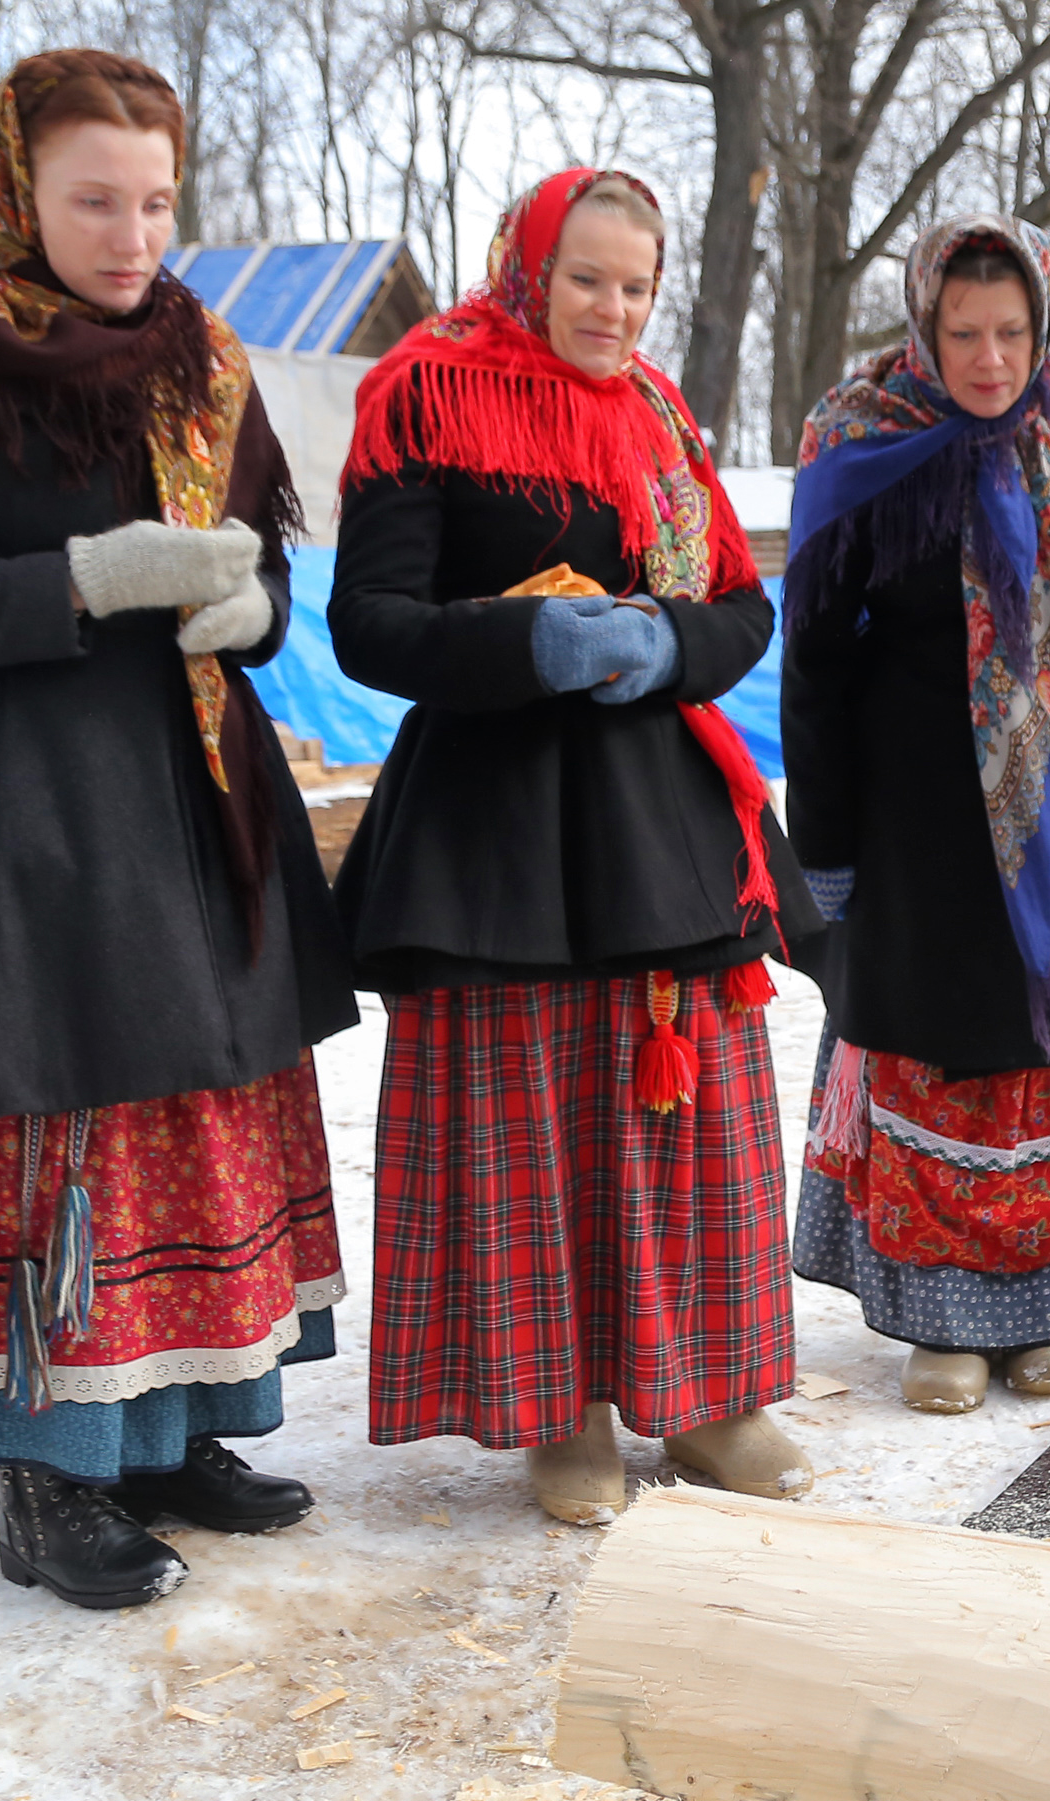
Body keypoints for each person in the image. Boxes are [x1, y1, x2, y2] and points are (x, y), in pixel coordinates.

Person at [0, 50, 358, 1611]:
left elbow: (260, 564)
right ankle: (46, 1479)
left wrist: (249, 609)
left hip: (187, 811)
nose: (131, 236)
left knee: (192, 1122)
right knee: (51, 1131)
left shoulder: (205, 361)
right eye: (93, 199)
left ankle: (177, 1428)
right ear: (15, 189)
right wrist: (82, 580)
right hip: (15, 815)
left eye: (157, 200)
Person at [330, 166, 820, 1524]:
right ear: (528, 267)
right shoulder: (428, 390)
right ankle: (565, 1410)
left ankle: (715, 1398)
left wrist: (667, 642)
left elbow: (737, 608)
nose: (612, 309)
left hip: (658, 816)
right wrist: (523, 638)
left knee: (693, 1111)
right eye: (587, 278)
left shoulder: (661, 416)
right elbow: (366, 620)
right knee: (532, 1120)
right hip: (497, 829)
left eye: (636, 285)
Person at [780, 214, 1050, 1415]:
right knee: (938, 1063)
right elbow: (816, 662)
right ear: (925, 324)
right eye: (963, 332)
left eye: (1010, 332)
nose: (988, 358)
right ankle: (938, 1325)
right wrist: (828, 842)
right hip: (918, 837)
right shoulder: (859, 441)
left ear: (1043, 323)